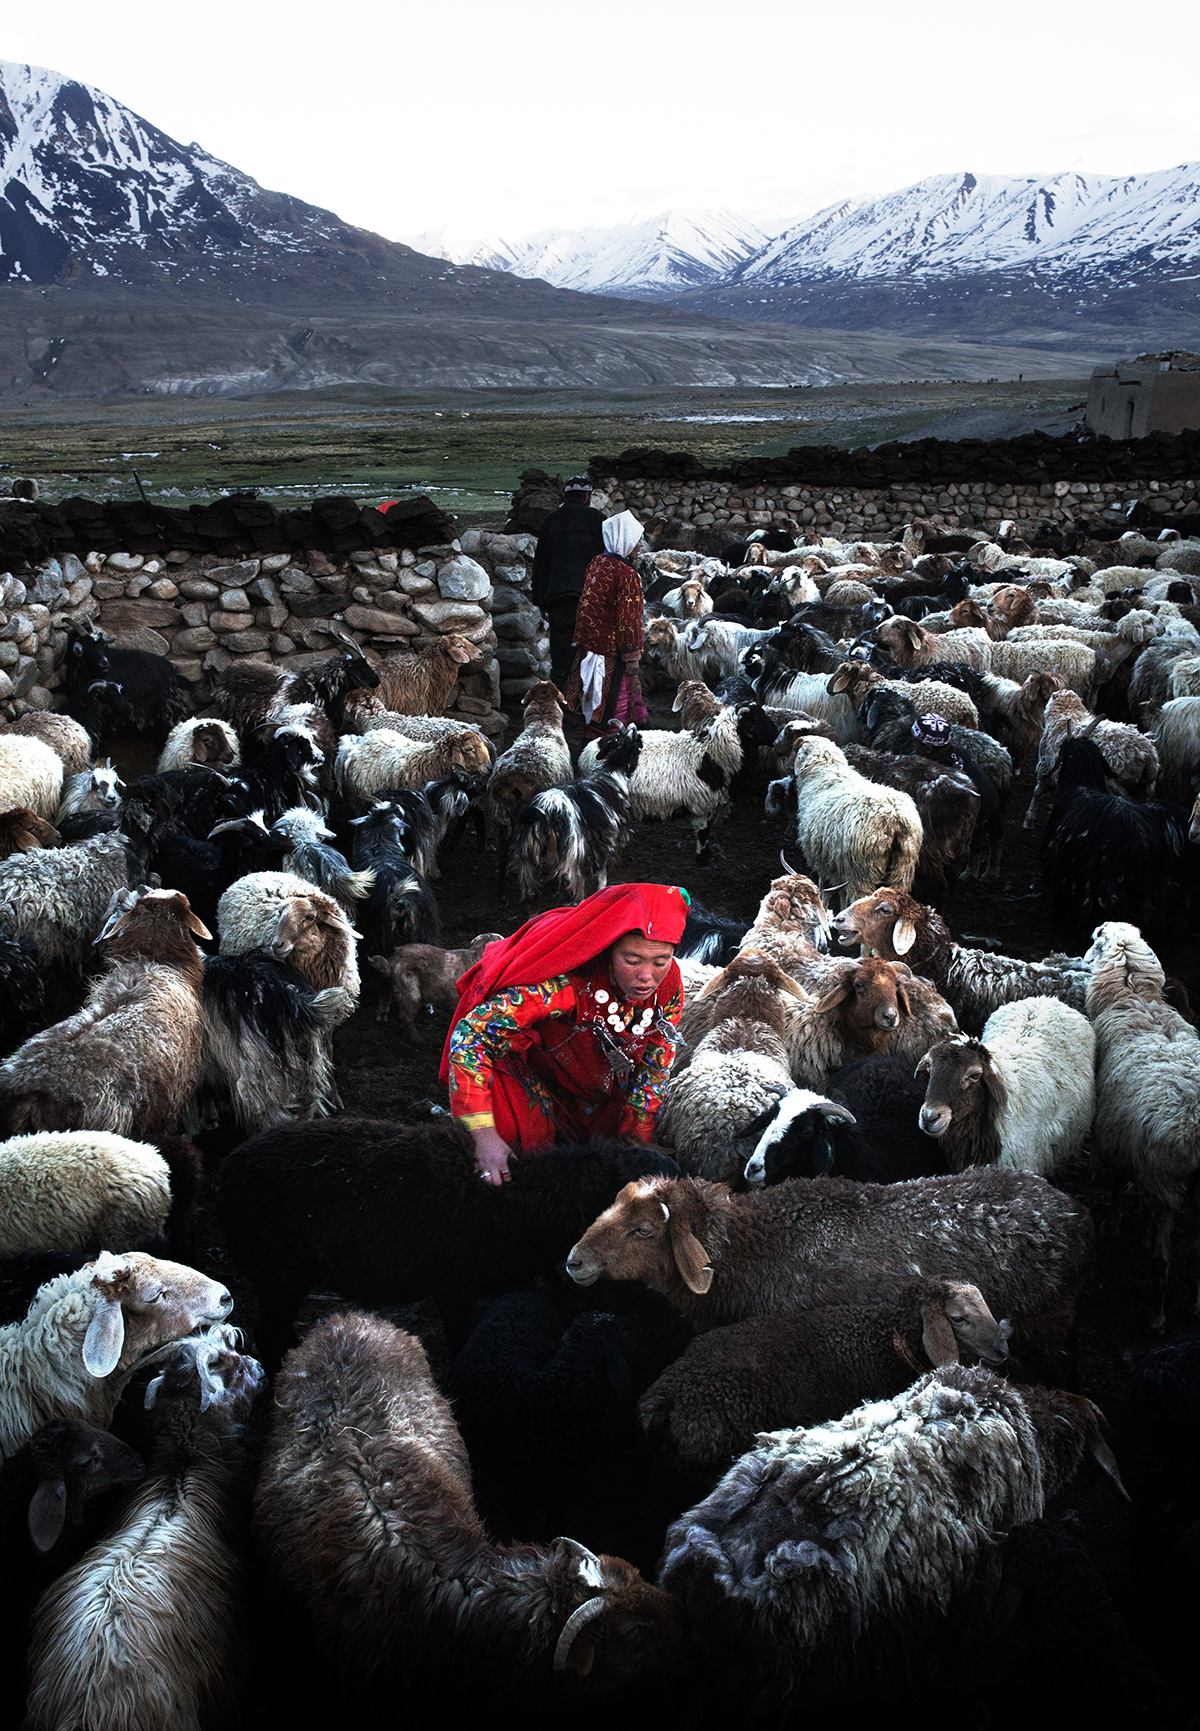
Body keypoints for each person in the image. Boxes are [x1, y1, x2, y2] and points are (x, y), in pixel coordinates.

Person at [440, 882, 690, 1185]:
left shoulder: (669, 987)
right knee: (515, 1169)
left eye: (661, 961)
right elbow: (473, 1035)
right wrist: (484, 1135)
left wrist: (638, 1142)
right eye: (632, 961)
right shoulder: (567, 983)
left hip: (599, 1090)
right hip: (535, 1078)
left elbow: (655, 1063)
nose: (647, 976)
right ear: (610, 948)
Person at [562, 510, 650, 739]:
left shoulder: (598, 563)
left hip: (590, 647)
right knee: (612, 707)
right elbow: (628, 620)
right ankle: (608, 752)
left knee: (594, 699)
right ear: (625, 540)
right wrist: (631, 656)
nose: (640, 544)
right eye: (637, 538)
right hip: (611, 653)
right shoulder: (626, 574)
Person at [530, 477, 606, 691]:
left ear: (565, 496)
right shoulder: (597, 520)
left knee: (562, 658)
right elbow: (607, 561)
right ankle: (585, 709)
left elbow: (540, 563)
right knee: (590, 656)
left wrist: (540, 599)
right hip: (590, 602)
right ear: (586, 496)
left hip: (558, 602)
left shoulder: (550, 521)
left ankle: (561, 708)